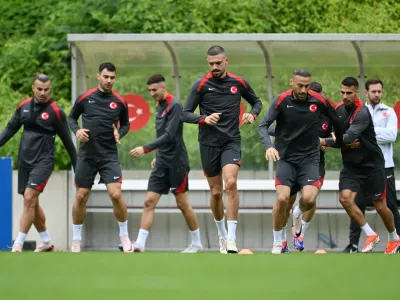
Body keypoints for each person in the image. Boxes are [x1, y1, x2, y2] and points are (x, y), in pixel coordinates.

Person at [182, 45, 263, 254]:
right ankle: (221, 235)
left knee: (231, 183)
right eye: (211, 64)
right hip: (208, 144)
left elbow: (257, 102)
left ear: (226, 61)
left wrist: (252, 115)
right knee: (216, 192)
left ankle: (232, 238)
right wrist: (203, 119)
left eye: (218, 63)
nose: (215, 67)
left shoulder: (239, 83)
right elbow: (185, 113)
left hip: (231, 141)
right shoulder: (200, 85)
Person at [258, 70, 344, 254]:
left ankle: (297, 214)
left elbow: (336, 118)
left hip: (310, 159)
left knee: (309, 199)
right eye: (300, 86)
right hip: (287, 159)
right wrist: (268, 147)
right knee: (282, 199)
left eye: (307, 86)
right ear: (292, 83)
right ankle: (277, 242)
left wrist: (338, 136)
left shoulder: (319, 100)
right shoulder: (281, 100)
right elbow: (263, 125)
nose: (304, 90)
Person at [320, 77, 400, 254]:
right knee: (345, 198)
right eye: (342, 92)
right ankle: (370, 234)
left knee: (381, 207)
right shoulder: (339, 109)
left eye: (349, 93)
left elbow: (347, 138)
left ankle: (394, 238)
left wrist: (325, 141)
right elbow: (334, 133)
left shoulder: (362, 113)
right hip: (351, 166)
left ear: (357, 93)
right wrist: (330, 138)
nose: (345, 96)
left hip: (372, 166)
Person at [0, 73, 77, 252]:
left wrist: (77, 169)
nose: (43, 93)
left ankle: (18, 243)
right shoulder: (23, 107)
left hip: (44, 160)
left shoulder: (56, 111)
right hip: (25, 160)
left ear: (50, 89)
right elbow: (9, 130)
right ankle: (46, 241)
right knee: (32, 202)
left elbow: (68, 142)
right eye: (40, 89)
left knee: (29, 198)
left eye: (46, 89)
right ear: (33, 88)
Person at [127, 74, 203, 253]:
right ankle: (140, 244)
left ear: (164, 87)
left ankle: (197, 243)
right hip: (161, 162)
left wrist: (145, 149)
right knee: (149, 201)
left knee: (182, 204)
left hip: (177, 163)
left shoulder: (174, 105)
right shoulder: (158, 105)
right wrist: (158, 155)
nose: (152, 93)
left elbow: (169, 135)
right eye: (149, 91)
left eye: (155, 90)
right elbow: (161, 135)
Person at [68, 62, 133, 253]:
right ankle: (76, 239)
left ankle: (124, 236)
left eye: (112, 77)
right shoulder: (85, 98)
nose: (109, 81)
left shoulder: (120, 101)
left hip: (108, 155)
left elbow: (126, 124)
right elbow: (71, 117)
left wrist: (119, 134)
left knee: (115, 194)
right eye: (106, 77)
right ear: (98, 76)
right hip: (87, 155)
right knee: (81, 196)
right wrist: (77, 130)